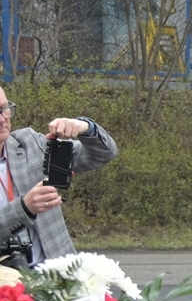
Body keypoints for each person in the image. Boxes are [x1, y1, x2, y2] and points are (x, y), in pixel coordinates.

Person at [0, 85, 118, 267]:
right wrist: (24, 208)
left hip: (57, 275)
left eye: (4, 109)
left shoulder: (29, 143)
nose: (3, 119)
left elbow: (103, 155)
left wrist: (86, 128)